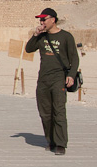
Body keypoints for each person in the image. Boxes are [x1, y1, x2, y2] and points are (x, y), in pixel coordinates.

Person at [25, 8, 79, 156]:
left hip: (59, 79)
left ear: (53, 20)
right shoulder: (41, 37)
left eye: (44, 19)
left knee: (59, 111)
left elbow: (74, 58)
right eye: (40, 20)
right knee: (45, 112)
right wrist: (35, 34)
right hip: (43, 79)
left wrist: (71, 75)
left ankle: (61, 143)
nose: (41, 22)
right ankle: (51, 141)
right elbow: (28, 49)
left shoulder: (66, 36)